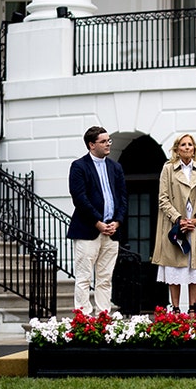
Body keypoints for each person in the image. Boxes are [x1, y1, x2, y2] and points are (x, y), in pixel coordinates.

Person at [66, 126, 127, 316]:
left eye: (109, 140)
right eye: (103, 141)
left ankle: (103, 316)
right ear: (91, 145)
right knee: (84, 277)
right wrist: (97, 222)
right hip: (88, 230)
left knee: (105, 277)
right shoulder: (79, 166)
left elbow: (123, 197)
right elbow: (79, 197)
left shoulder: (115, 167)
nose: (108, 144)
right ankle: (83, 319)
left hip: (112, 230)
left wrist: (116, 221)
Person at [151, 134, 196, 314]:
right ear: (177, 149)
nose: (187, 147)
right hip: (175, 225)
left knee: (195, 268)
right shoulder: (168, 169)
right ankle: (176, 309)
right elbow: (162, 199)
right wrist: (178, 219)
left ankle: (193, 308)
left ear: (194, 148)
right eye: (183, 145)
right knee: (174, 268)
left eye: (190, 145)